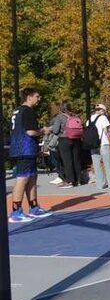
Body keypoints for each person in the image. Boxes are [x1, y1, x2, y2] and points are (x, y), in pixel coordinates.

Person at [8, 88, 53, 222]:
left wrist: (35, 149)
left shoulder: (17, 111)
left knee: (32, 177)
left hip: (24, 148)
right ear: (29, 97)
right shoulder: (27, 111)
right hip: (24, 149)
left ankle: (34, 207)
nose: (39, 99)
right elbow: (30, 132)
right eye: (37, 96)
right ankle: (16, 211)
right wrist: (43, 131)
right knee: (23, 178)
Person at [87, 102, 110, 189]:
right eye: (105, 111)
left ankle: (100, 184)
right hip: (103, 144)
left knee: (97, 165)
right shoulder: (103, 118)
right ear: (102, 110)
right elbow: (106, 131)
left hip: (93, 145)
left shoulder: (89, 119)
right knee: (108, 164)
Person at [56, 102, 86, 187]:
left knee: (67, 161)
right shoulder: (76, 116)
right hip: (76, 139)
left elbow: (55, 130)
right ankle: (78, 179)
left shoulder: (60, 117)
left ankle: (70, 181)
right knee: (76, 159)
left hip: (64, 139)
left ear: (61, 109)